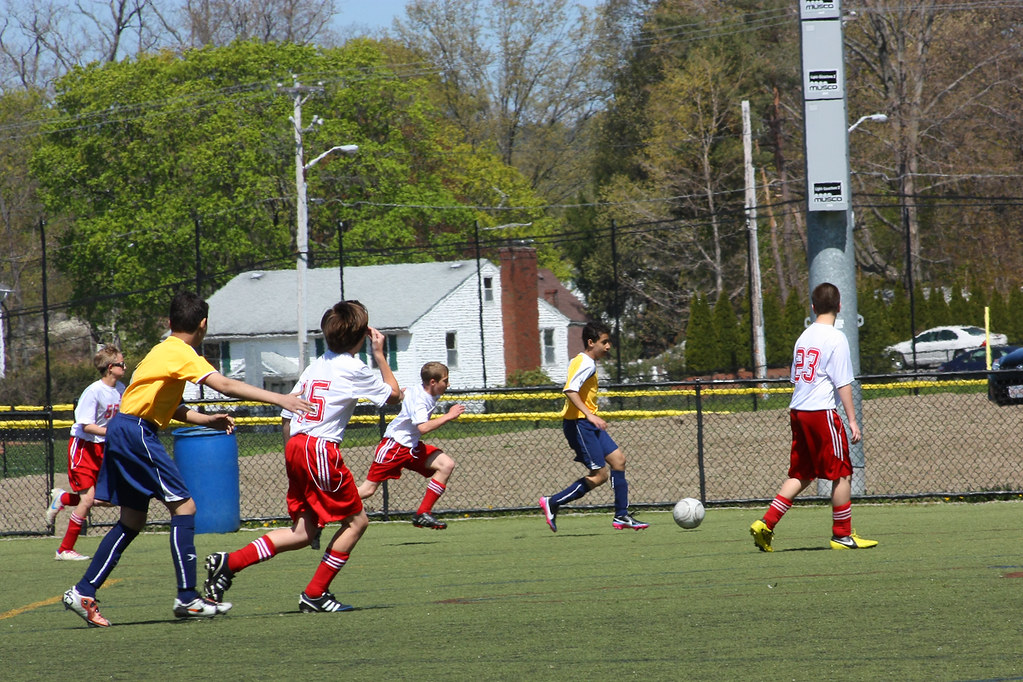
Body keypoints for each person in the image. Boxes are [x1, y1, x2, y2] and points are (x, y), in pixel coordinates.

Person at [62, 290, 313, 628]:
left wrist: (206, 419)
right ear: (203, 324)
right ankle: (187, 597)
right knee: (185, 508)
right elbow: (223, 384)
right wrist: (280, 398)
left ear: (169, 323)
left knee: (132, 521)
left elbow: (166, 406)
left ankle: (84, 590)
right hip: (136, 432)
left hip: (124, 429)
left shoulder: (160, 350)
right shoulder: (183, 353)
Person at [204, 300, 402, 614]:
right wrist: (379, 355)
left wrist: (292, 459)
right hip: (319, 448)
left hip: (297, 445)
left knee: (303, 533)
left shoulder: (317, 364)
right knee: (357, 522)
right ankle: (315, 594)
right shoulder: (353, 367)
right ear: (362, 335)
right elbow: (394, 396)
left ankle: (229, 563)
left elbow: (288, 412)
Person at [749, 282, 878, 552]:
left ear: (812, 307)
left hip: (798, 411)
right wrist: (852, 420)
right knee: (842, 473)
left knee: (803, 473)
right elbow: (843, 383)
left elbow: (796, 377)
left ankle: (766, 523)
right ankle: (842, 536)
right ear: (840, 307)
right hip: (821, 413)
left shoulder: (804, 336)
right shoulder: (836, 337)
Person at [538, 320, 648, 532]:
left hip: (587, 423)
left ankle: (621, 516)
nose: (608, 347)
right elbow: (570, 390)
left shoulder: (581, 361)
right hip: (580, 425)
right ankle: (553, 502)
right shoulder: (586, 363)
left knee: (619, 461)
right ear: (591, 342)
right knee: (600, 475)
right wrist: (590, 415)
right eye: (604, 342)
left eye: (609, 342)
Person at [357, 361, 465, 530]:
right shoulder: (421, 400)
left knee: (446, 464)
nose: (448, 383)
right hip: (394, 447)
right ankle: (323, 511)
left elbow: (404, 393)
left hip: (410, 447)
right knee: (368, 490)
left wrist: (401, 393)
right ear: (433, 382)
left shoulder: (424, 390)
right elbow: (422, 427)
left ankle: (422, 513)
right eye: (445, 380)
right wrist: (449, 416)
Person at [47, 345, 126, 561]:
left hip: (104, 448)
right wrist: (113, 432)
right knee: (89, 498)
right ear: (110, 367)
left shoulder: (121, 389)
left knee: (108, 499)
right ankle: (64, 550)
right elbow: (86, 426)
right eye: (121, 363)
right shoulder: (93, 392)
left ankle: (62, 498)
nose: (125, 366)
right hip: (84, 447)